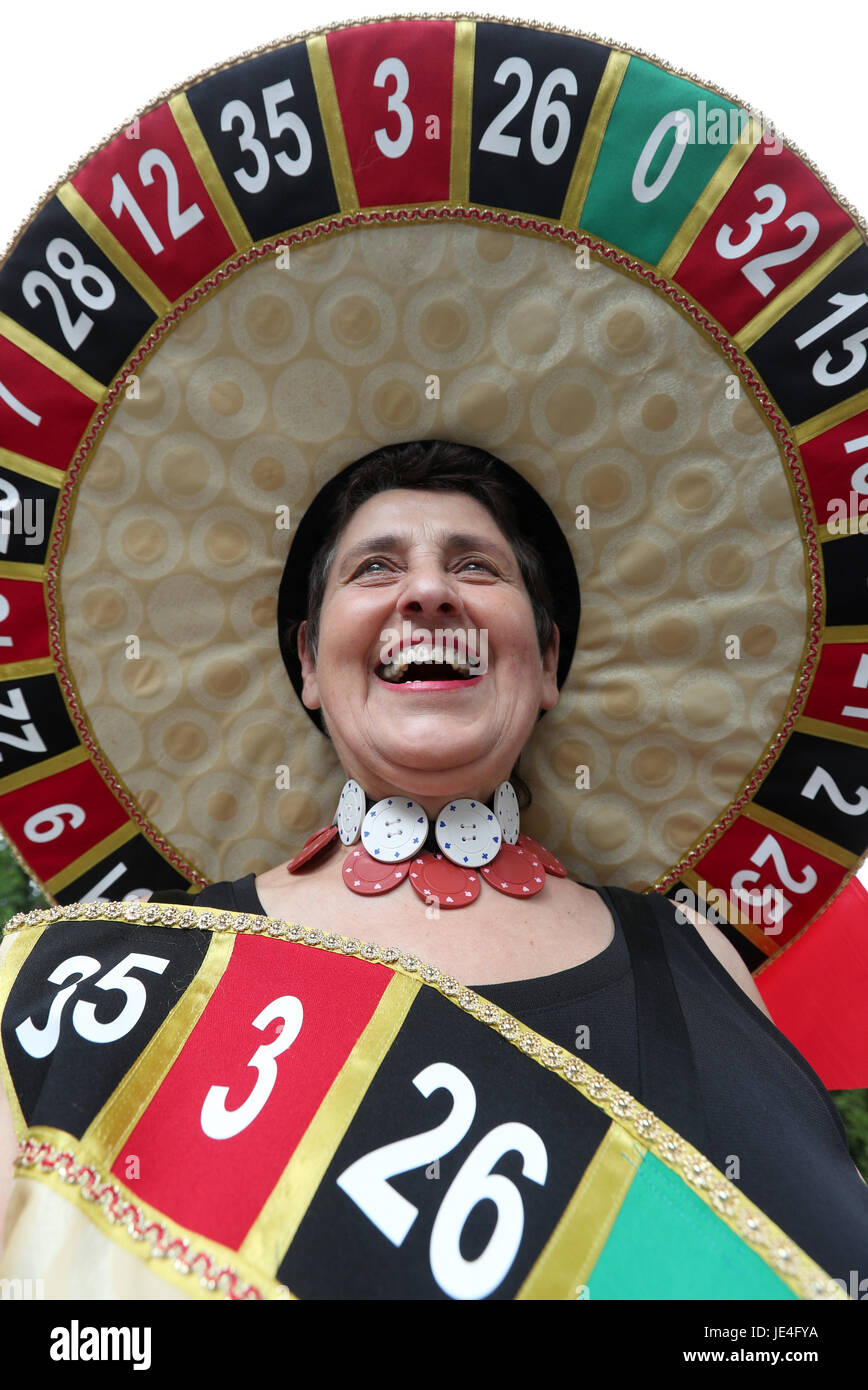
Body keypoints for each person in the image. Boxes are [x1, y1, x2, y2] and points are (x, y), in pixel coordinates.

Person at [1, 439, 865, 1299]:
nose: (426, 592)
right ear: (308, 663)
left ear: (549, 662)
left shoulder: (691, 954)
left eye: (477, 567)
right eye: (375, 567)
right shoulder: (115, 977)